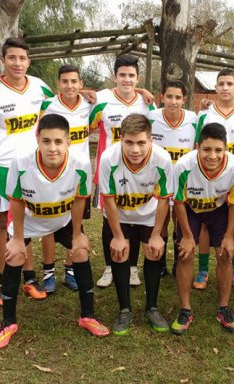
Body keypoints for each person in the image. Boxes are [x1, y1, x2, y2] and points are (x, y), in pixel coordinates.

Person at [0, 114, 108, 349]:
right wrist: (19, 239)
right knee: (15, 255)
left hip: (61, 220)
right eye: (46, 141)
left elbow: (78, 201)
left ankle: (88, 316)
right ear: (37, 139)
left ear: (68, 143)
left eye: (58, 141)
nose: (52, 148)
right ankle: (8, 323)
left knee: (81, 251)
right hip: (30, 219)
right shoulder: (21, 163)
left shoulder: (81, 165)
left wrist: (77, 234)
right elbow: (17, 202)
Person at [0, 37, 54, 305]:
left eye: (22, 58)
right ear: (3, 60)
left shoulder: (40, 88)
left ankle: (29, 279)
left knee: (28, 221)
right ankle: (3, 282)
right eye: (12, 58)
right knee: (3, 224)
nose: (17, 63)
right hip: (1, 167)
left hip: (32, 166)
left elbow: (65, 103)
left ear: (28, 61)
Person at [99, 114, 173, 335]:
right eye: (129, 142)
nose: (135, 149)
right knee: (119, 254)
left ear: (151, 140)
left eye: (141, 142)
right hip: (119, 215)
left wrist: (157, 234)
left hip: (150, 215)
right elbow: (109, 200)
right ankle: (124, 309)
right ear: (120, 139)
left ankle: (151, 307)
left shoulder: (162, 159)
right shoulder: (108, 158)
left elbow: (163, 200)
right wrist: (118, 236)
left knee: (154, 251)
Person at [171, 123, 234, 335]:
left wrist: (229, 235)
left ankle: (223, 308)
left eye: (218, 150)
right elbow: (178, 202)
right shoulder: (184, 165)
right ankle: (185, 309)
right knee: (185, 255)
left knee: (225, 255)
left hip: (219, 210)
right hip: (191, 210)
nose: (212, 156)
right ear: (197, 147)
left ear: (226, 149)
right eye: (206, 149)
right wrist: (187, 236)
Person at [90, 54, 155, 288]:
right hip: (109, 172)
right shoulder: (101, 100)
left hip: (139, 173)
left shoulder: (147, 103)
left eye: (131, 76)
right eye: (122, 75)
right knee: (110, 221)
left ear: (138, 78)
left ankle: (133, 268)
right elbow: (81, 122)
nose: (127, 80)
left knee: (136, 220)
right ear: (114, 76)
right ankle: (109, 267)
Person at [193, 68, 234, 291]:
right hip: (208, 176)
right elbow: (196, 146)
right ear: (216, 87)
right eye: (221, 84)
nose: (225, 88)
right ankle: (202, 270)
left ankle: (233, 266)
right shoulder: (205, 115)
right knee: (204, 223)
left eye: (230, 83)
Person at [38, 64, 92, 292]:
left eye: (74, 81)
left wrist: (144, 93)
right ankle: (48, 272)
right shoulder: (48, 106)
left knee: (75, 223)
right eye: (65, 81)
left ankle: (70, 270)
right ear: (58, 84)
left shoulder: (91, 105)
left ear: (81, 84)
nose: (69, 86)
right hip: (52, 173)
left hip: (80, 175)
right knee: (49, 224)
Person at [148, 80, 198, 276]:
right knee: (161, 220)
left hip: (183, 180)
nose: (173, 101)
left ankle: (179, 260)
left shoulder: (194, 119)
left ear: (184, 100)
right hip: (159, 178)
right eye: (169, 96)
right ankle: (160, 262)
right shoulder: (151, 117)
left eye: (178, 97)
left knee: (180, 219)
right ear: (162, 97)